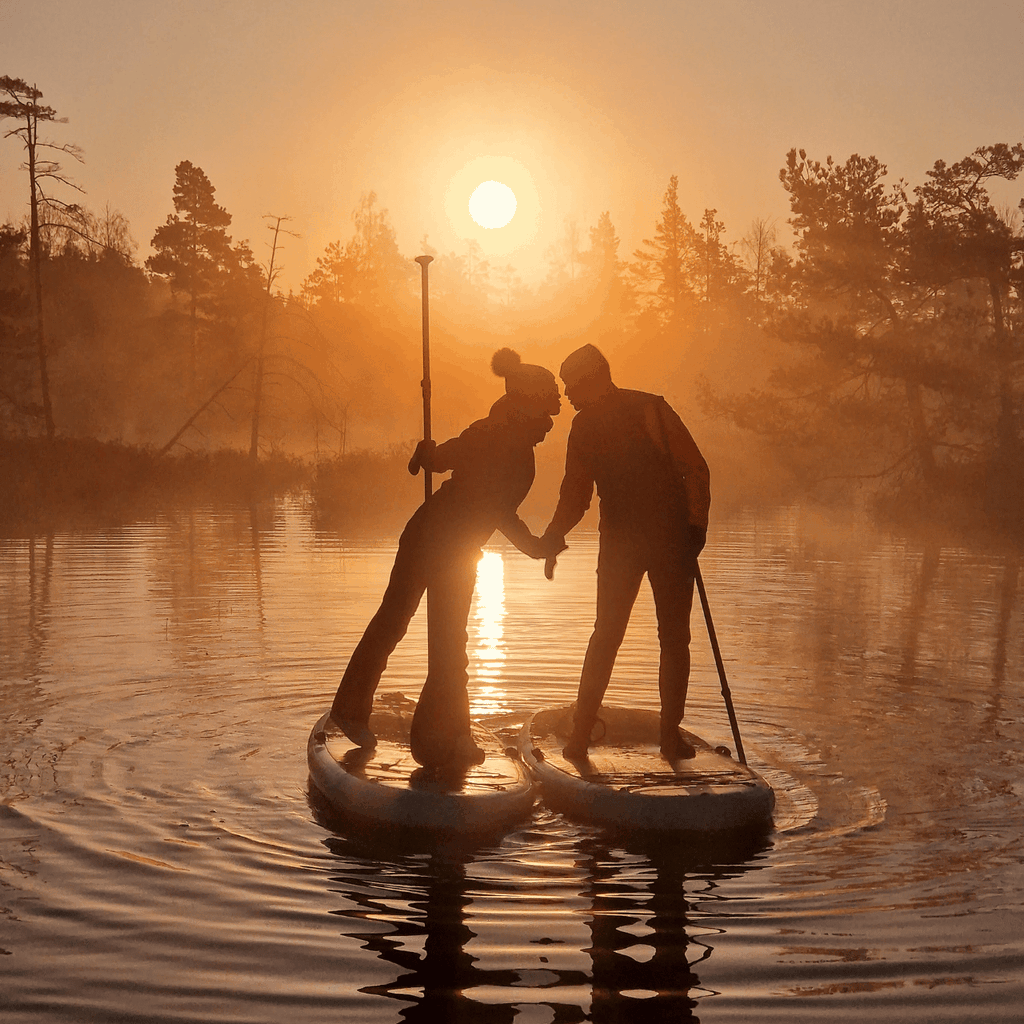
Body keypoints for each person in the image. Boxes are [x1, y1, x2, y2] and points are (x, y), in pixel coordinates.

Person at [330, 348, 561, 769]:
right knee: (414, 631)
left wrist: (536, 546)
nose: (548, 427)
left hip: (451, 548)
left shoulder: (505, 444)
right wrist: (426, 452)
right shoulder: (493, 438)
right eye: (544, 417)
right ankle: (396, 724)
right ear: (524, 408)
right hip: (436, 542)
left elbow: (488, 502)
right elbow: (450, 469)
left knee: (437, 640)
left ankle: (442, 736)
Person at [538, 343, 710, 761]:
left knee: (626, 636)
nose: (567, 394)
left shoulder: (651, 409)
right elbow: (576, 494)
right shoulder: (597, 422)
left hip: (659, 542)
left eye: (571, 385)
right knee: (658, 639)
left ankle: (594, 738)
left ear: (592, 379)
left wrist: (696, 528)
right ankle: (621, 736)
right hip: (643, 542)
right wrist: (553, 536)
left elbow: (694, 469)